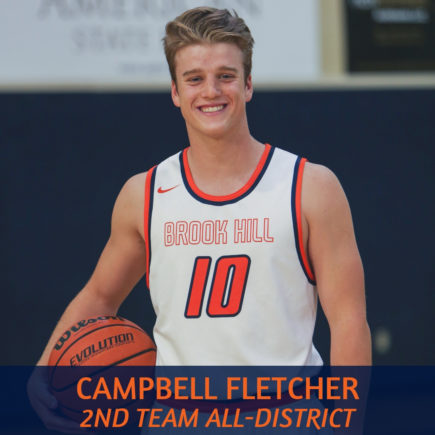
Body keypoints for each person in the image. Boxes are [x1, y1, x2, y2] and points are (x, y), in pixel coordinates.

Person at [28, 6, 371, 432]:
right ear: (175, 91)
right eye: (194, 79)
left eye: (226, 76)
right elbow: (99, 296)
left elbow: (348, 321)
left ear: (248, 84)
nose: (211, 91)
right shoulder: (144, 194)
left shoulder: (310, 187)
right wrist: (44, 369)